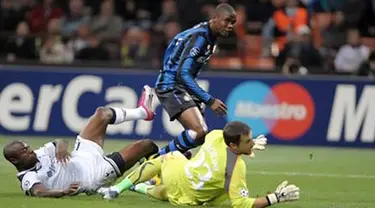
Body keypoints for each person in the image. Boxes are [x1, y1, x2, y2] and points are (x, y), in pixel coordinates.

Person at [98, 121, 300, 208]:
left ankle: (118, 188)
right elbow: (241, 204)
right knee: (222, 192)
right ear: (233, 145)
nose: (252, 143)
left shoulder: (213, 136)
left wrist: (249, 146)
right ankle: (139, 187)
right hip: (190, 200)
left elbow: (226, 146)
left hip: (179, 175)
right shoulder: (236, 168)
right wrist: (275, 198)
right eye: (248, 141)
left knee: (168, 157)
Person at [3, 85, 158, 198]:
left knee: (102, 113)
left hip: (82, 155)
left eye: (27, 147)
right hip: (93, 175)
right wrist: (62, 192)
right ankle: (155, 179)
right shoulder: (29, 177)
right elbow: (39, 192)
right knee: (146, 145)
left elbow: (60, 142)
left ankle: (143, 112)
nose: (30, 150)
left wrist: (61, 147)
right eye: (24, 151)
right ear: (14, 160)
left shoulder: (38, 154)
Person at [154, 3, 236, 156]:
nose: (230, 26)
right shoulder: (201, 38)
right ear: (215, 18)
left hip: (178, 85)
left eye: (233, 23)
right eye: (227, 21)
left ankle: (173, 158)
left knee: (199, 136)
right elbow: (183, 74)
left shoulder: (209, 36)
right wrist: (209, 100)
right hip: (171, 85)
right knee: (198, 130)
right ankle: (157, 158)